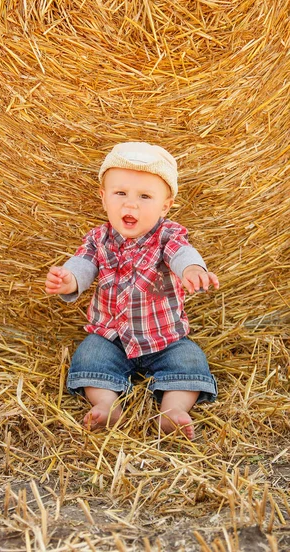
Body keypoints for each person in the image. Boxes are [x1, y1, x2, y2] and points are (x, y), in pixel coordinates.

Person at [45, 142, 219, 439]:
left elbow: (182, 254)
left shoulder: (168, 235)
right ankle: (106, 405)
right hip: (110, 338)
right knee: (89, 357)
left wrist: (193, 271)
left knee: (190, 361)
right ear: (103, 198)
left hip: (164, 339)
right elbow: (83, 264)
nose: (130, 205)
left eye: (145, 196)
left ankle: (173, 411)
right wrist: (69, 279)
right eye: (120, 193)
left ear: (165, 205)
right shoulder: (98, 239)